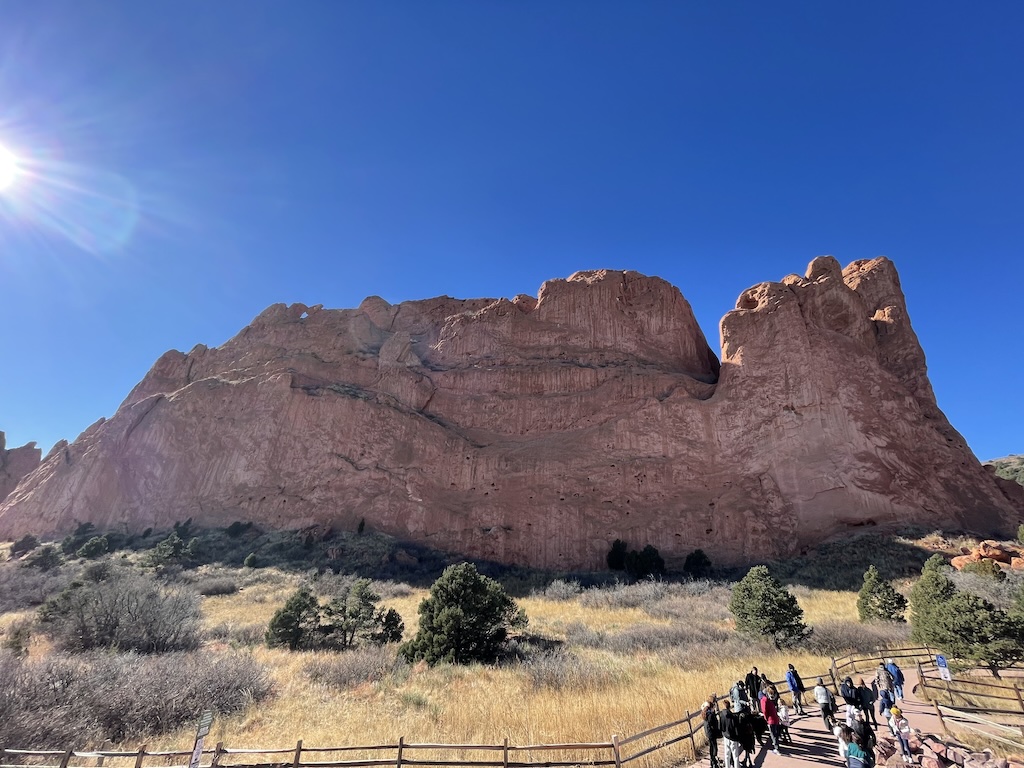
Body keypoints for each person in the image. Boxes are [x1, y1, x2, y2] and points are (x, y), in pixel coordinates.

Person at [720, 700, 742, 768]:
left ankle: (727, 766)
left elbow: (720, 727)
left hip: (726, 737)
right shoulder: (732, 716)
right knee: (735, 756)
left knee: (727, 755)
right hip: (733, 738)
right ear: (729, 707)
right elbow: (735, 727)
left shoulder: (721, 715)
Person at [760, 691, 782, 755]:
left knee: (773, 735)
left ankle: (776, 748)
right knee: (776, 734)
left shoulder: (763, 700)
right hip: (775, 719)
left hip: (770, 720)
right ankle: (777, 746)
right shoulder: (770, 701)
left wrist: (766, 718)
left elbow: (764, 710)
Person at [704, 696, 723, 768]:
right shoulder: (710, 715)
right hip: (712, 733)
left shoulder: (705, 712)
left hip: (708, 732)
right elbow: (713, 724)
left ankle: (712, 761)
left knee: (711, 747)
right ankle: (714, 761)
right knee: (714, 747)